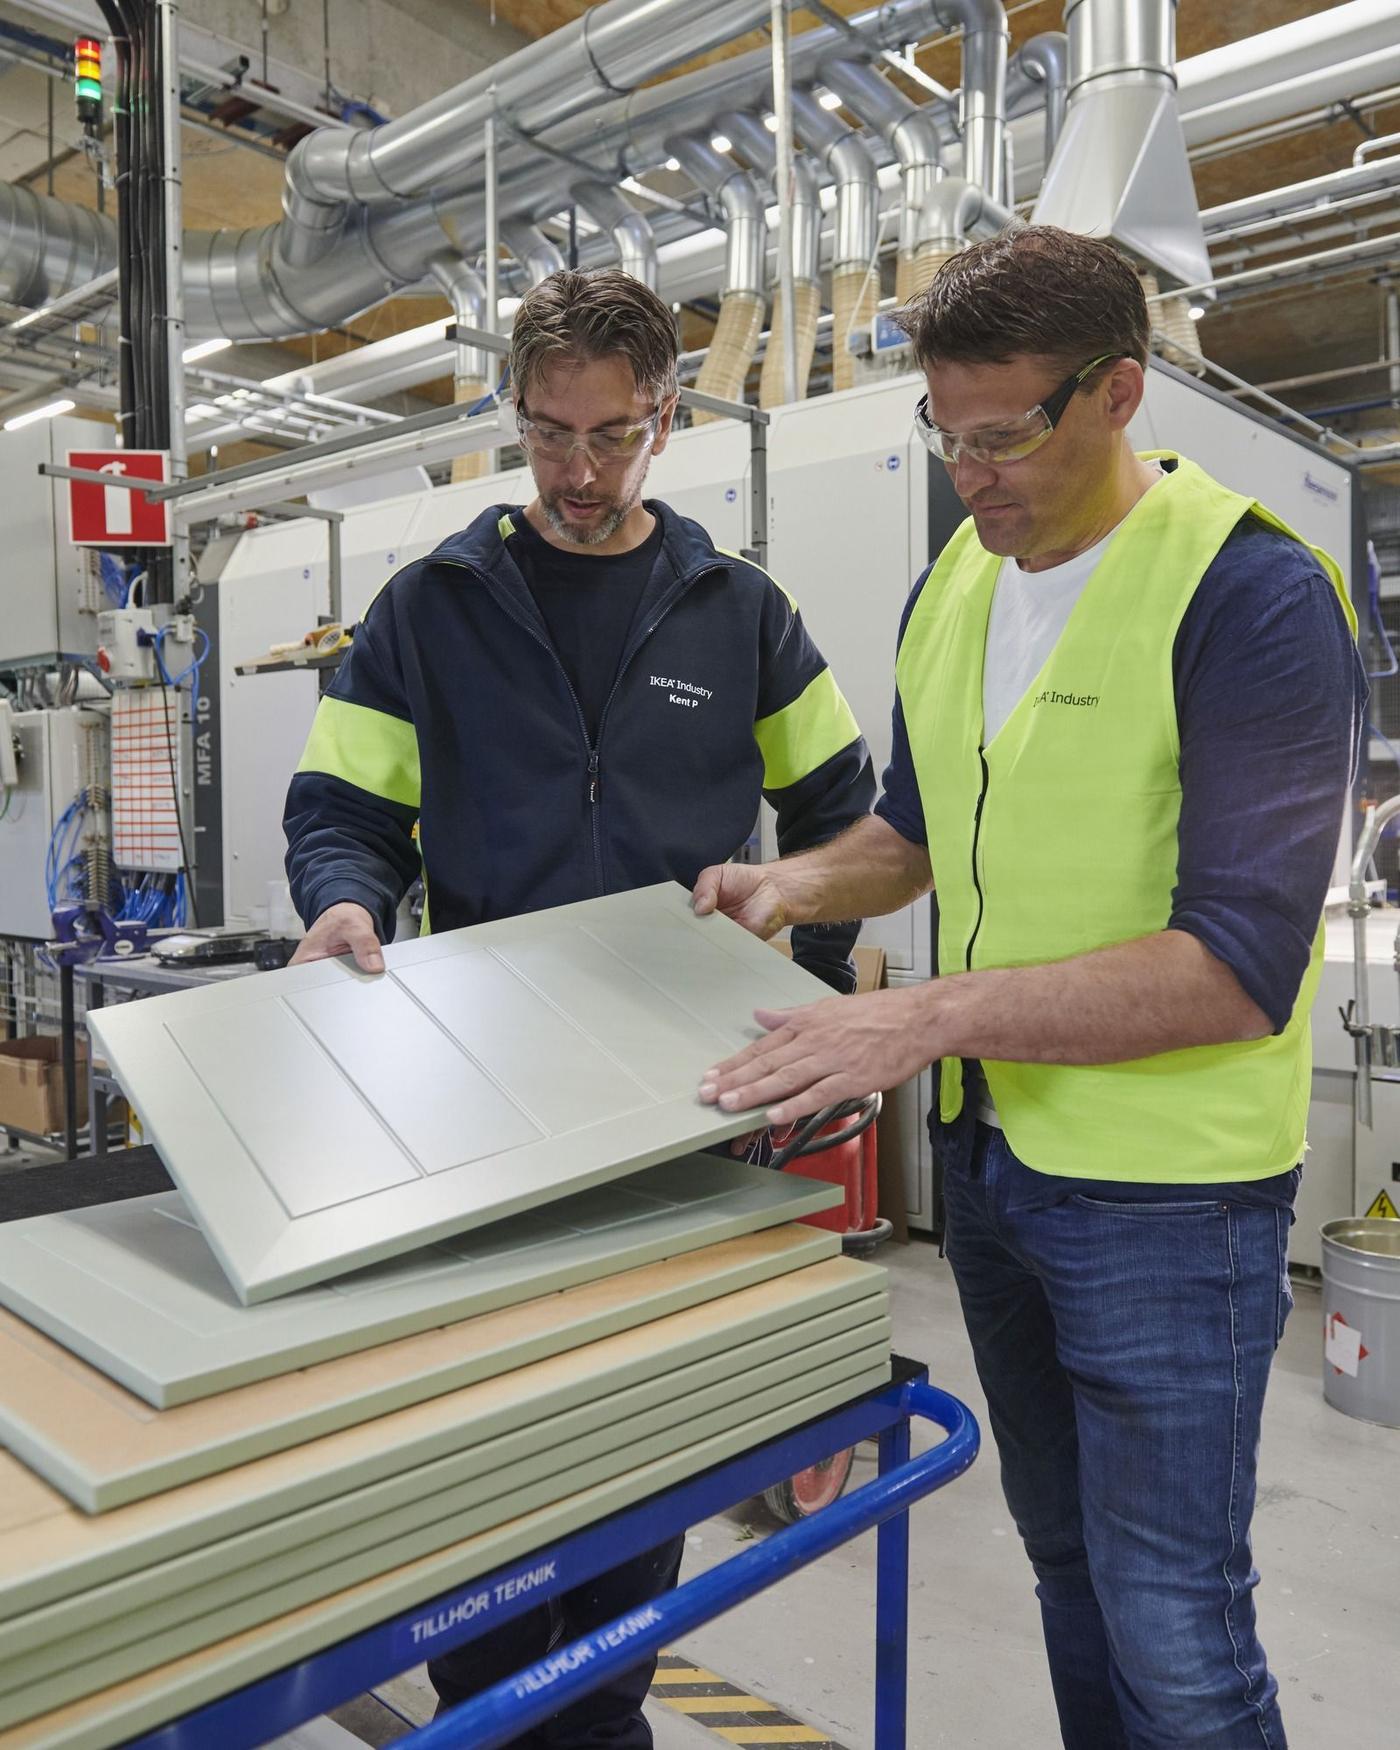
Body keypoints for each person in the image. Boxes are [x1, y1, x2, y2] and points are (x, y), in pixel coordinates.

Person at [692, 227, 1366, 1750]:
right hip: (1000, 1170)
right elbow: (916, 838)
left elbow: (1240, 967)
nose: (971, 472)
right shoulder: (959, 585)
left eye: (1004, 435)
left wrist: (918, 1018)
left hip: (1170, 1205)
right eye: (947, 433)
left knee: (1177, 1623)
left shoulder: (1252, 594)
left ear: (1119, 392)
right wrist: (799, 880)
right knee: (1066, 1570)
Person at [282, 266, 874, 1748]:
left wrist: (803, 1014)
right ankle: (491, 1709)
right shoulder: (430, 610)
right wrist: (343, 897)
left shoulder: (744, 615)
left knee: (639, 1449)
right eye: (549, 434)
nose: (579, 471)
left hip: (688, 1108)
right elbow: (345, 803)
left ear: (665, 419)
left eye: (612, 435)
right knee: (491, 1447)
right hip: (483, 1102)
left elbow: (848, 826)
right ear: (517, 416)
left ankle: (602, 1711)